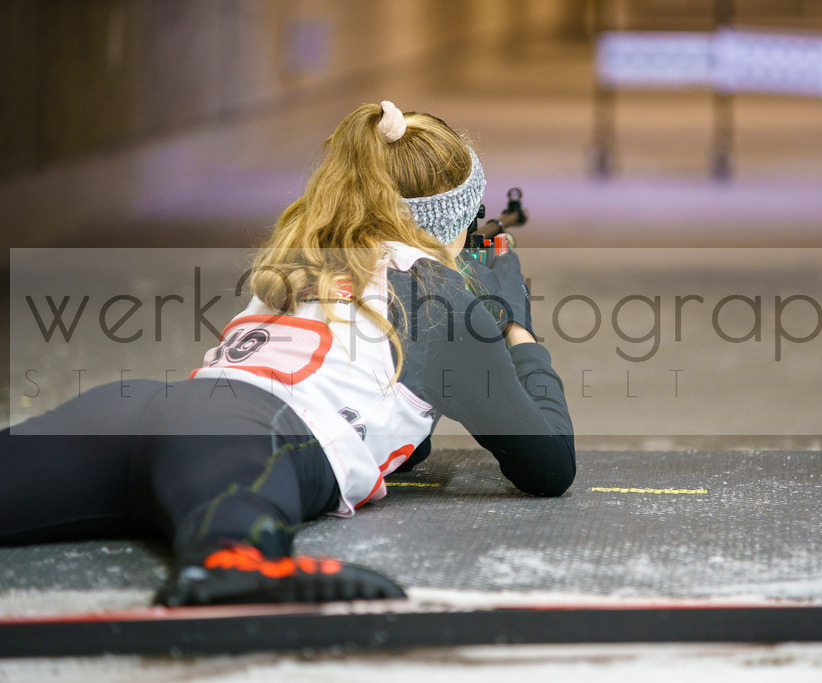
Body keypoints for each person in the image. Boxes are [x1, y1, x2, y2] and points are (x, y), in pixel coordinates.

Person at [0, 101, 575, 606]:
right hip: (246, 442)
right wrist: (514, 323)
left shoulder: (310, 257)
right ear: (451, 220)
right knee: (231, 558)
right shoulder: (443, 298)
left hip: (140, 411)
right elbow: (548, 464)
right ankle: (233, 560)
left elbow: (395, 425)